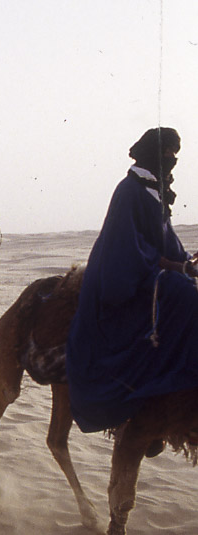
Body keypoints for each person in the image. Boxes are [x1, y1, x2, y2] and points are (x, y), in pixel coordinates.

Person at [66, 127, 198, 433]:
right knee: (187, 298)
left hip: (150, 271)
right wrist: (177, 269)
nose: (172, 161)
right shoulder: (130, 191)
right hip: (124, 277)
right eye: (168, 155)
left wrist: (187, 261)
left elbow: (166, 241)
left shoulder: (152, 190)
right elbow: (129, 250)